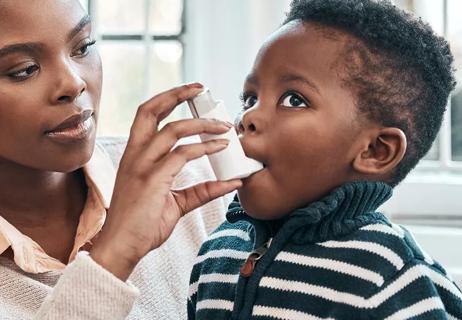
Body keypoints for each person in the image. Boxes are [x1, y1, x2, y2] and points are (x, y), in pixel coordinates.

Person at [187, 0, 462, 319]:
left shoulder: (386, 271)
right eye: (250, 98)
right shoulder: (216, 253)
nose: (248, 117)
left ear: (375, 151)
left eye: (294, 100)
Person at [0, 0, 242, 319]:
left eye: (83, 46)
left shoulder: (194, 183)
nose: (74, 83)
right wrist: (114, 256)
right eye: (25, 69)